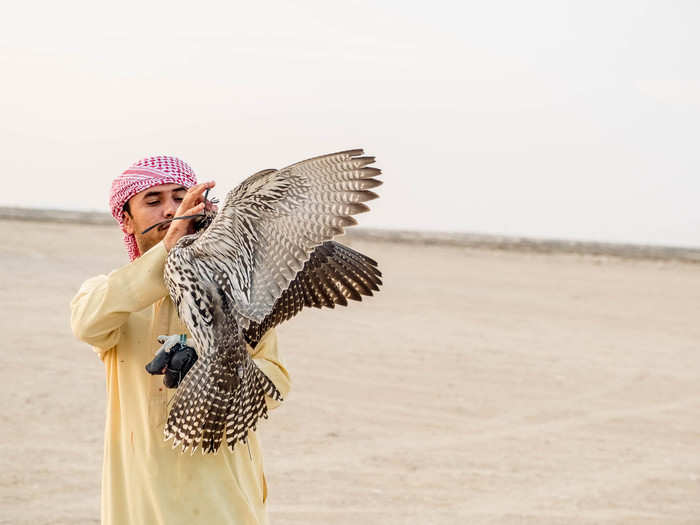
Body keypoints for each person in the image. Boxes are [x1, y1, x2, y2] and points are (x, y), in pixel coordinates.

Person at [70, 156, 290, 525]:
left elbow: (276, 379)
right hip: (139, 485)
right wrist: (167, 252)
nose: (171, 210)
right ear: (126, 219)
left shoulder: (236, 291)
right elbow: (87, 324)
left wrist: (218, 372)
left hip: (221, 483)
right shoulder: (112, 293)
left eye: (179, 197)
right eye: (153, 201)